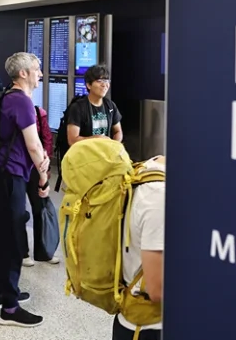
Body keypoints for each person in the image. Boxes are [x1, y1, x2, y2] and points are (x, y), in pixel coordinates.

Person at [0, 52, 49, 327]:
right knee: (11, 239)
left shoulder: (5, 96)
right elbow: (34, 146)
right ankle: (10, 309)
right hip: (9, 176)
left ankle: (2, 294)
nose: (41, 74)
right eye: (37, 69)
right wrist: (44, 177)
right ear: (23, 73)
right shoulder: (21, 101)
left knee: (2, 236)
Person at [113, 160, 165, 340]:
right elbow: (156, 289)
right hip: (146, 327)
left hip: (131, 320)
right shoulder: (159, 196)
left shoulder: (147, 167)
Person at [23, 105, 59, 267]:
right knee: (18, 211)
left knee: (40, 207)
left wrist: (45, 164)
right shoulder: (11, 110)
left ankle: (43, 251)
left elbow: (47, 139)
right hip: (15, 166)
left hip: (35, 167)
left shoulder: (39, 112)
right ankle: (22, 252)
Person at [67, 65, 122, 146]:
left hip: (105, 155)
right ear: (89, 85)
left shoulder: (110, 105)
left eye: (107, 81)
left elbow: (118, 131)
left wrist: (114, 146)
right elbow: (72, 140)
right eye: (99, 81)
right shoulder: (77, 108)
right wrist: (97, 139)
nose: (104, 85)